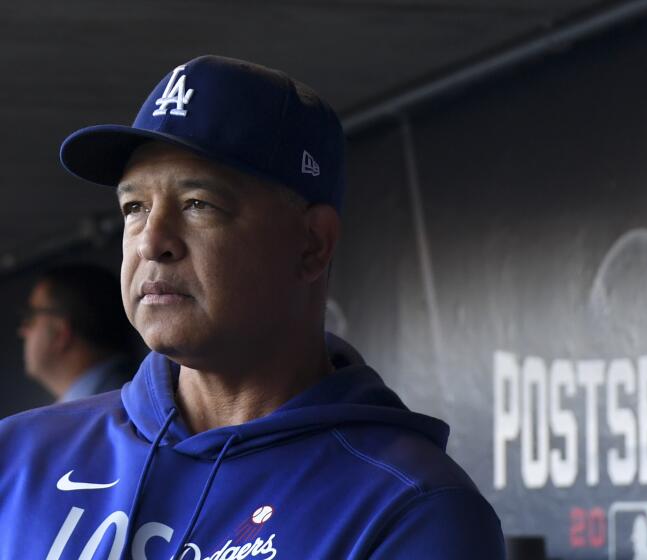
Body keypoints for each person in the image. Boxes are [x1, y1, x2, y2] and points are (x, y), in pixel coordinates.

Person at [0, 55, 504, 558]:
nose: (152, 241)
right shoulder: (18, 455)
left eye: (199, 204)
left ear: (311, 244)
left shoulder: (409, 506)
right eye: (135, 208)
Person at [18, 264, 135, 402]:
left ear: (60, 333)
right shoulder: (128, 393)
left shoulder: (117, 405)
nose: (22, 331)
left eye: (31, 317)